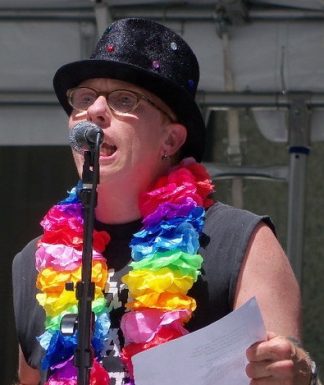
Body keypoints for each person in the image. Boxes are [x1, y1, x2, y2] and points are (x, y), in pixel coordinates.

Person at [12, 17, 319, 385]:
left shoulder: (240, 241)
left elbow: (285, 367)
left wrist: (301, 372)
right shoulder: (35, 260)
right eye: (83, 98)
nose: (94, 111)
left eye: (124, 99)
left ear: (171, 141)